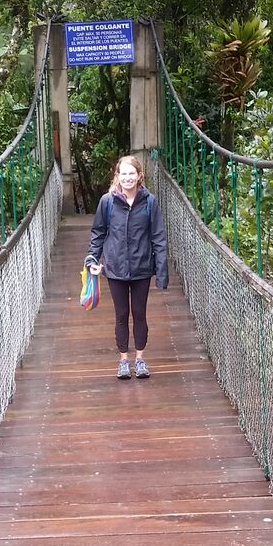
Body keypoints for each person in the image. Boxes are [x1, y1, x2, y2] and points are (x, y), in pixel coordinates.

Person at [84, 155, 169, 379]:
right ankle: (123, 361)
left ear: (139, 176)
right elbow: (98, 233)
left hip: (142, 268)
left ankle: (140, 359)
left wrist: (161, 272)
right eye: (124, 174)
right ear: (118, 177)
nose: (128, 178)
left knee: (139, 314)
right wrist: (92, 259)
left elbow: (158, 237)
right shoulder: (107, 202)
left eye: (132, 173)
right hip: (115, 268)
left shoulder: (149, 202)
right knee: (121, 315)